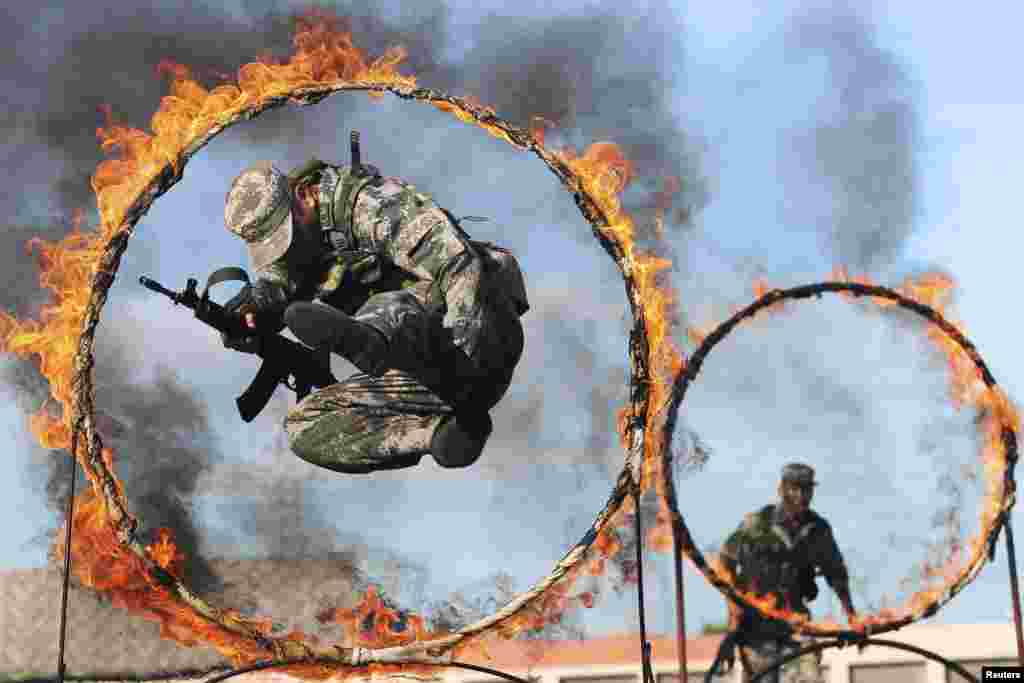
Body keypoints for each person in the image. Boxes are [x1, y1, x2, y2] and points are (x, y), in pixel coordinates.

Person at [219, 146, 528, 474]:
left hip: (476, 337)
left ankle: (374, 340)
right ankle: (442, 433)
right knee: (305, 427)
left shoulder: (372, 206)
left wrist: (467, 362)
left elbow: (460, 267)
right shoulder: (304, 235)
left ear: (303, 195)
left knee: (386, 308)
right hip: (429, 382)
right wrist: (252, 310)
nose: (287, 245)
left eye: (286, 234)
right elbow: (281, 279)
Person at [715, 463, 857, 683]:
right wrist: (734, 619)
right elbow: (724, 564)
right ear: (781, 489)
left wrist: (852, 617)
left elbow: (836, 575)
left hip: (797, 623)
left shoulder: (818, 529)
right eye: (794, 488)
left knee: (809, 677)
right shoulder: (757, 523)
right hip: (756, 628)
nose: (800, 495)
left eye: (806, 489)